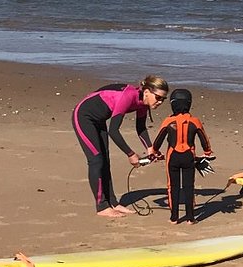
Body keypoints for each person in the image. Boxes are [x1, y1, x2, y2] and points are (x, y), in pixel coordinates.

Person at [72, 76, 169, 218]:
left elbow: (141, 128)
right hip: (83, 116)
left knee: (105, 161)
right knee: (96, 161)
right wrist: (130, 154)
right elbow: (114, 131)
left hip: (99, 121)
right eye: (158, 97)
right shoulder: (128, 96)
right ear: (147, 92)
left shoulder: (143, 102)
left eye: (163, 99)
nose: (160, 102)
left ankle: (112, 202)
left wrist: (150, 148)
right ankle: (102, 207)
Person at [150, 88, 214, 225]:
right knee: (189, 186)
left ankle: (174, 217)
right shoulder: (195, 121)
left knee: (172, 186)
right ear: (189, 104)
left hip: (172, 156)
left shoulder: (168, 121)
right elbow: (204, 140)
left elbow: (158, 141)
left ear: (172, 104)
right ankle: (190, 218)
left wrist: (155, 152)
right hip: (189, 157)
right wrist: (207, 153)